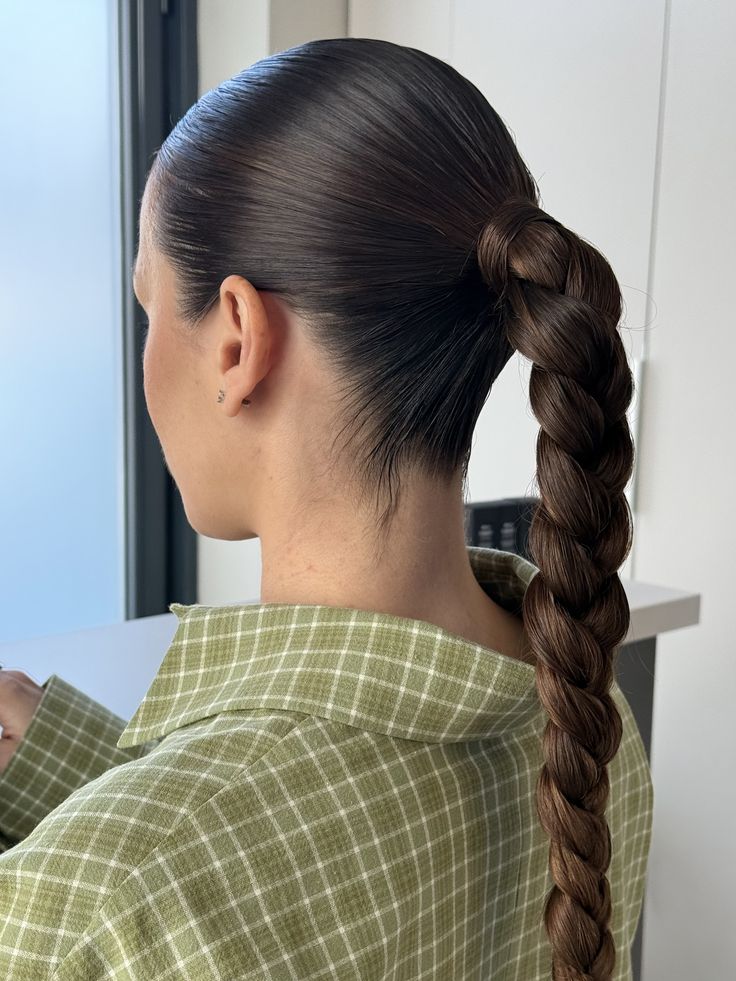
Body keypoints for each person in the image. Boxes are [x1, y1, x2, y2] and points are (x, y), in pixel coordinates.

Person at [0, 37, 653, 980]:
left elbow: (165, 887)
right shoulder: (589, 731)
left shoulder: (102, 907)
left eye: (151, 309)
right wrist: (80, 771)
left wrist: (100, 846)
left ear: (236, 340)